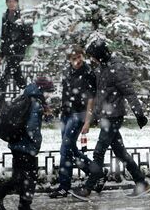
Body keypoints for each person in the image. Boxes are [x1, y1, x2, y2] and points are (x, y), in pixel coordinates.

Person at [72, 40, 150, 198]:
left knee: (98, 152)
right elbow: (101, 95)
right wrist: (95, 115)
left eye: (93, 56)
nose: (92, 59)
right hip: (106, 116)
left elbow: (129, 92)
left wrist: (139, 114)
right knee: (120, 152)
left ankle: (88, 187)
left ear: (100, 55)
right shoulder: (102, 67)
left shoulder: (117, 68)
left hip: (114, 116)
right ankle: (141, 182)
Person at [0, 76, 54, 210]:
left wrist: (47, 114)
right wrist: (35, 144)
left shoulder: (26, 97)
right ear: (42, 90)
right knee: (28, 177)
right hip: (26, 146)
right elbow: (31, 127)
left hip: (16, 144)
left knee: (22, 177)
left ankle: (23, 205)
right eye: (49, 91)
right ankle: (0, 194)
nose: (50, 95)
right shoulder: (35, 103)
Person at [48, 46, 97, 198]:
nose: (77, 61)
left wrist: (87, 121)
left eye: (79, 58)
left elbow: (91, 99)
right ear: (69, 60)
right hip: (66, 114)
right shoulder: (67, 72)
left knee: (65, 149)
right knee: (70, 149)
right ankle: (96, 173)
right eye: (73, 59)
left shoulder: (88, 73)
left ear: (83, 56)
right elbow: (65, 94)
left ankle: (64, 187)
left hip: (79, 114)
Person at [0, 0, 34, 110]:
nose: (10, 4)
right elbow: (3, 37)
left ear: (17, 2)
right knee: (19, 80)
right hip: (8, 53)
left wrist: (16, 44)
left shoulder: (23, 17)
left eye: (13, 1)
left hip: (18, 53)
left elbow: (30, 39)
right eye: (8, 1)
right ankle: (31, 98)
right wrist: (1, 55)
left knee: (4, 79)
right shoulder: (5, 16)